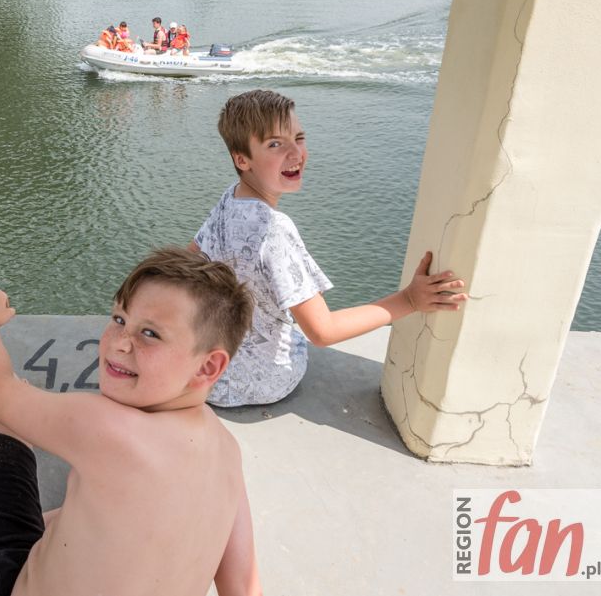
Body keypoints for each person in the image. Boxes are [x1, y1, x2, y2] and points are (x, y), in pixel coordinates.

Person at [0, 247, 261, 596]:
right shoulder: (227, 451)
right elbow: (243, 588)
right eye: (120, 319)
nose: (121, 343)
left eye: (150, 333)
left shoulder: (109, 427)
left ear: (207, 367)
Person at [189, 89, 468, 407]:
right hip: (263, 380)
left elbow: (189, 261)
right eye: (275, 144)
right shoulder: (274, 230)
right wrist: (409, 299)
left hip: (212, 370)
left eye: (299, 137)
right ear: (242, 159)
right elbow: (322, 331)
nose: (296, 154)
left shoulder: (231, 197)